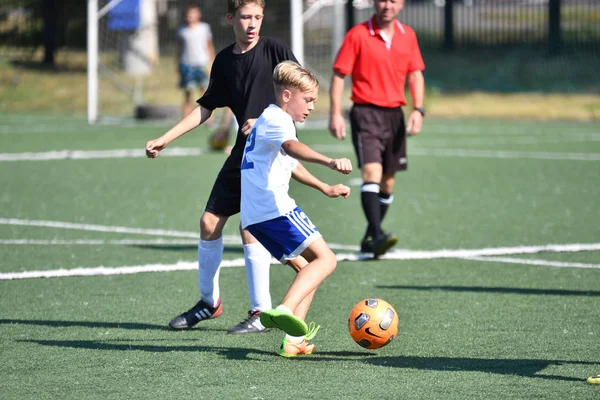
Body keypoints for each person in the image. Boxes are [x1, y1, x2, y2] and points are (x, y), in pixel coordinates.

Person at [145, 0, 298, 334]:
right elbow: (206, 108)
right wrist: (165, 138)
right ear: (231, 18)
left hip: (270, 153)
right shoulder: (225, 61)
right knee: (209, 222)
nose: (252, 23)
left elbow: (298, 93)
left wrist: (265, 120)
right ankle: (209, 303)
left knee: (251, 226)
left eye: (257, 17)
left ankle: (261, 312)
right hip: (243, 153)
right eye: (245, 17)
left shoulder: (275, 50)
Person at [241, 61, 352, 356]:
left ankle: (294, 341)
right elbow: (291, 148)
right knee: (326, 261)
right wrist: (329, 161)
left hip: (254, 216)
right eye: (309, 99)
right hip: (274, 208)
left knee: (308, 270)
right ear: (287, 95)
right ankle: (285, 308)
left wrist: (324, 187)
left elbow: (290, 164)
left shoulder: (268, 118)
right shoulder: (279, 120)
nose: (312, 107)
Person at [328, 0, 426, 258]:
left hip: (395, 115)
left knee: (388, 182)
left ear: (401, 4)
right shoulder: (358, 34)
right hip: (365, 112)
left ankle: (370, 237)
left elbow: (415, 74)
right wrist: (335, 113)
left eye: (393, 0)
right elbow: (339, 75)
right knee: (372, 171)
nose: (387, 5)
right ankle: (378, 233)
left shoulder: (409, 36)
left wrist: (418, 109)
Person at [176, 3, 215, 117]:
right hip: (187, 64)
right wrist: (178, 64)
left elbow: (209, 46)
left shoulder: (204, 28)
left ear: (198, 15)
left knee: (205, 93)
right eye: (188, 15)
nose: (190, 17)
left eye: (192, 14)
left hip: (201, 64)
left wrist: (210, 62)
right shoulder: (182, 30)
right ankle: (186, 117)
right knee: (187, 93)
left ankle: (208, 119)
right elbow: (178, 49)